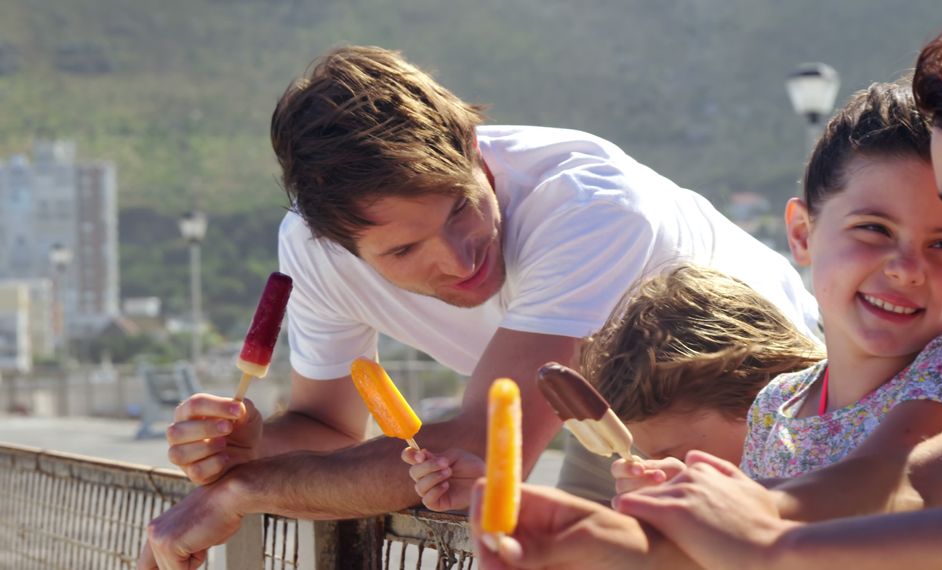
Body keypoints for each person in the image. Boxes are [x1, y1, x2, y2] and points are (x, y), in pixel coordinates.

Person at [138, 45, 820, 568]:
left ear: (472, 145)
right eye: (406, 252)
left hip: (759, 397)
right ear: (336, 244)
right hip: (606, 409)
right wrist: (250, 447)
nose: (460, 259)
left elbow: (486, 451)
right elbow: (326, 431)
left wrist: (241, 491)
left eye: (462, 209)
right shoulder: (313, 253)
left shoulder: (589, 208)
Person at [472, 1, 942, 567]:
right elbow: (921, 484)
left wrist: (772, 542)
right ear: (802, 231)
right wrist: (627, 539)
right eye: (874, 228)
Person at [739, 80, 942, 482]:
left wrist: (698, 512)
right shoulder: (776, 404)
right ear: (803, 234)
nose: (907, 269)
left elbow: (870, 495)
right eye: (874, 228)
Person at [403, 264, 823, 511]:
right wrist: (492, 498)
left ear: (759, 392)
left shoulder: (832, 458)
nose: (660, 467)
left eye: (671, 454)